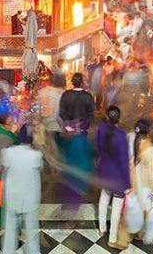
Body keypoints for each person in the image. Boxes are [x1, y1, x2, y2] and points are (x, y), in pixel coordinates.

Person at [57, 73, 95, 208]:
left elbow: (61, 112)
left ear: (72, 82)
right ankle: (79, 185)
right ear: (82, 83)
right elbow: (92, 114)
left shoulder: (66, 95)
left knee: (69, 156)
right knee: (81, 157)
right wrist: (83, 125)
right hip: (82, 133)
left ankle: (69, 185)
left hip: (68, 131)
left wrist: (69, 124)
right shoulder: (88, 97)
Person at [96, 105, 131, 246]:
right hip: (117, 175)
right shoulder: (121, 135)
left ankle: (101, 228)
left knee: (104, 197)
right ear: (119, 118)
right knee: (116, 208)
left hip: (104, 170)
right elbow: (123, 161)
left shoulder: (101, 128)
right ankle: (112, 239)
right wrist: (127, 183)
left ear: (107, 117)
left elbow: (97, 147)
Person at [1, 140, 44, 254]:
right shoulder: (36, 155)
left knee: (10, 230)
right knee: (31, 230)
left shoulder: (8, 152)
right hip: (29, 198)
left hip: (12, 197)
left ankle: (7, 252)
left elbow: (4, 166)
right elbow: (40, 169)